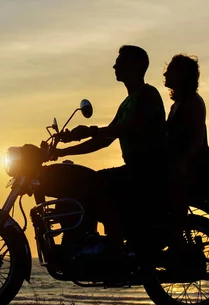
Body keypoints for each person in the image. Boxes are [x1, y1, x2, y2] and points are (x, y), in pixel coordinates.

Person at [51, 45, 167, 261]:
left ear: (136, 66)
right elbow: (105, 140)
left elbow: (128, 128)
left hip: (148, 168)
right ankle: (86, 239)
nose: (115, 66)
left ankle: (113, 248)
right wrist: (62, 150)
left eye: (120, 62)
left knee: (98, 182)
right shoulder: (127, 102)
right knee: (85, 180)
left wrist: (89, 131)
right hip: (136, 167)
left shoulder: (147, 95)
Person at [163, 54, 209, 263]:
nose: (165, 74)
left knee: (171, 196)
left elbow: (197, 140)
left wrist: (183, 162)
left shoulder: (194, 102)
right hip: (185, 169)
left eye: (170, 70)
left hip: (200, 171)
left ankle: (178, 249)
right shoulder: (176, 105)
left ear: (183, 75)